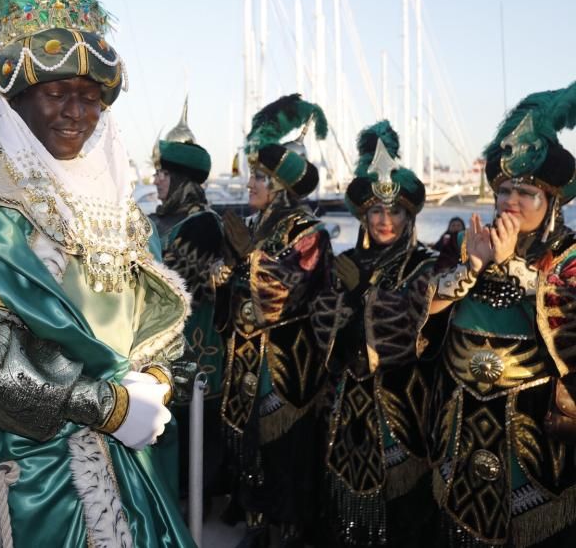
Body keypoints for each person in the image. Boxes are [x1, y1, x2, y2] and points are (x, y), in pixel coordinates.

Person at [0, 0, 194, 547]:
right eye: (57, 92)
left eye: (91, 97)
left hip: (125, 463)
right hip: (27, 474)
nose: (76, 112)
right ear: (17, 98)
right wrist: (110, 406)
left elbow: (161, 326)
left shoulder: (120, 210)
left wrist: (156, 383)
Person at [428, 83, 576, 548]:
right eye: (504, 189)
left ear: (552, 202)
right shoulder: (467, 245)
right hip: (461, 419)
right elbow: (416, 313)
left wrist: (513, 266)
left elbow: (567, 327)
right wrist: (468, 270)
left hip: (534, 424)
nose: (511, 200)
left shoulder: (569, 258)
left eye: (527, 191)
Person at [309, 121, 438, 547]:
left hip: (402, 404)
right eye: (376, 212)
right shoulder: (347, 260)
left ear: (409, 215)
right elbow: (322, 330)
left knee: (402, 510)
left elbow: (410, 334)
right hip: (347, 404)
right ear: (364, 216)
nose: (385, 220)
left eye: (395, 211)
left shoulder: (425, 264)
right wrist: (341, 300)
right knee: (343, 501)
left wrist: (362, 295)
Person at [219, 94, 332, 547]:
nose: (250, 184)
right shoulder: (258, 224)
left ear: (282, 187)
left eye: (259, 177)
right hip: (247, 355)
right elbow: (231, 284)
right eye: (251, 175)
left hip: (285, 363)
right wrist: (222, 274)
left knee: (285, 450)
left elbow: (285, 289)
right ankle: (255, 517)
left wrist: (245, 261)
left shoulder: (309, 231)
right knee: (250, 444)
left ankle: (287, 527)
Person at [150, 100, 229, 505]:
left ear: (181, 178)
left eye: (162, 174)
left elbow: (172, 281)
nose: (156, 181)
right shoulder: (156, 218)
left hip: (195, 353)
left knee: (195, 433)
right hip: (157, 350)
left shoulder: (203, 223)